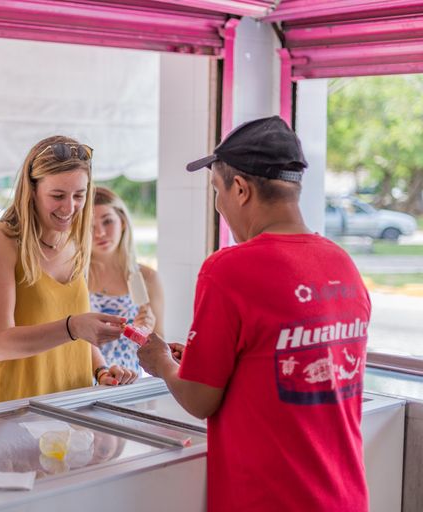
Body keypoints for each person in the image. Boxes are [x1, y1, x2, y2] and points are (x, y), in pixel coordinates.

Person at [137, 116, 370, 512]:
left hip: (269, 500)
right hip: (344, 496)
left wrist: (160, 361)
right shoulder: (342, 264)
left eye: (217, 189)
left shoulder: (229, 269)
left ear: (240, 189)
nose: (218, 204)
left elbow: (199, 399)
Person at [0, 135, 137, 406]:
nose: (69, 207)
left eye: (79, 195)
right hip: (17, 410)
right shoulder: (1, 239)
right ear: (32, 189)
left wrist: (100, 369)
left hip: (74, 407)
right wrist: (73, 326)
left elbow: (78, 335)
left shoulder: (77, 238)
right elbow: (1, 345)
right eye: (57, 196)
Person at [88, 186, 164, 374]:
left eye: (107, 221)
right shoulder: (74, 279)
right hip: (82, 386)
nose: (100, 233)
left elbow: (163, 352)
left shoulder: (148, 278)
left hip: (132, 384)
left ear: (122, 223)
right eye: (91, 226)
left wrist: (149, 331)